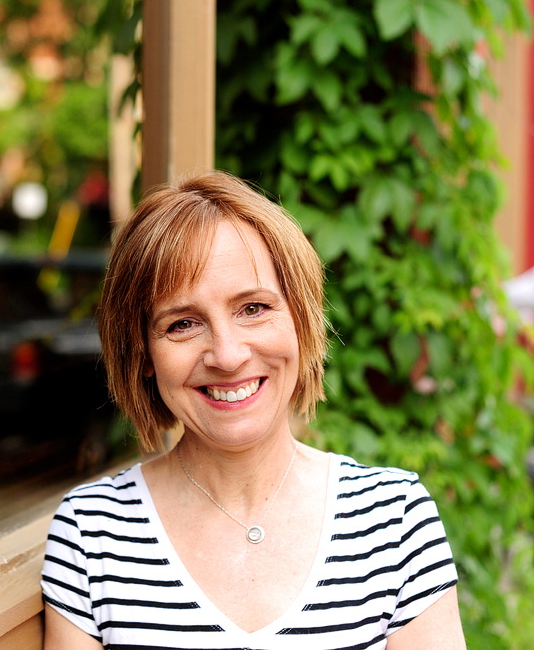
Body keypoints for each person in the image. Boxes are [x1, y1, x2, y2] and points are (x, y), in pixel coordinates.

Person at [41, 171, 465, 649]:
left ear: (301, 320)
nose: (227, 354)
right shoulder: (91, 536)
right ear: (142, 353)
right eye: (182, 323)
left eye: (253, 308)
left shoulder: (394, 521)